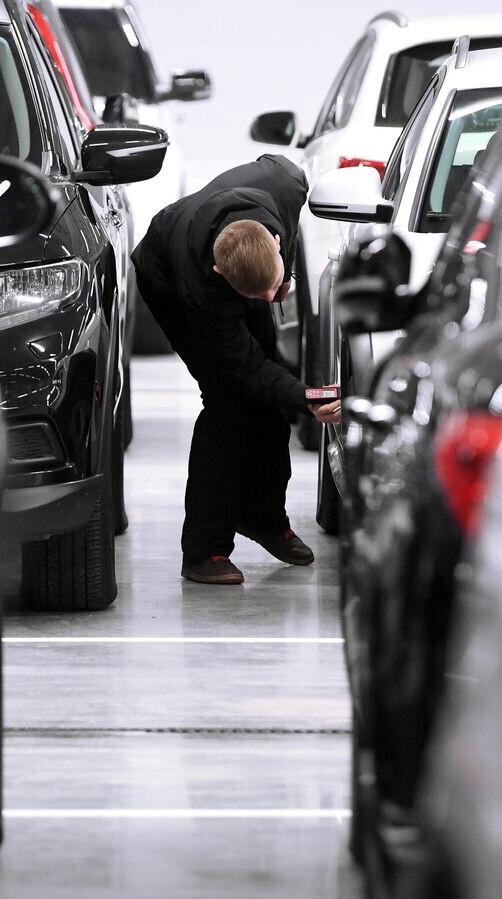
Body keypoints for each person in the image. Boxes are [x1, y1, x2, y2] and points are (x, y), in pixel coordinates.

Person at [132, 154, 342, 585]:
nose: (270, 301)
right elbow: (246, 367)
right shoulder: (202, 288)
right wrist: (305, 398)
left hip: (246, 260)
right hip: (166, 276)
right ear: (220, 273)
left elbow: (288, 178)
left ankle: (264, 518)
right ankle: (204, 550)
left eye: (274, 288)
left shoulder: (286, 184)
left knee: (269, 404)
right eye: (257, 296)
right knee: (227, 402)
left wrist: (284, 277)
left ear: (277, 243)